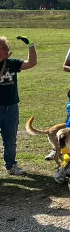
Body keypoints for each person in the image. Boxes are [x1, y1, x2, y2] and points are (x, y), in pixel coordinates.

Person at [0, 36, 37, 176]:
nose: (8, 49)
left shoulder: (12, 63)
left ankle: (11, 165)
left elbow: (31, 63)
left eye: (7, 47)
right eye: (4, 47)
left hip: (12, 107)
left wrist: (31, 45)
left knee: (10, 139)